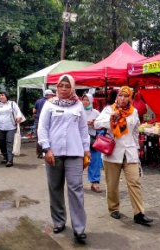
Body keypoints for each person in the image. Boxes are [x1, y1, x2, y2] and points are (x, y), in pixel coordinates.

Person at [38, 74, 90, 244]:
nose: (63, 89)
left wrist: (86, 150)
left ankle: (79, 228)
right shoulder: (49, 104)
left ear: (72, 88)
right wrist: (46, 149)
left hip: (75, 153)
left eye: (67, 86)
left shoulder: (78, 106)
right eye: (61, 86)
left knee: (76, 188)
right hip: (54, 153)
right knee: (55, 188)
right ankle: (59, 222)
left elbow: (83, 129)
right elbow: (42, 128)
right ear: (56, 87)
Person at [94, 86, 153, 225]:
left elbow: (135, 132)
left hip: (130, 152)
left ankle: (138, 213)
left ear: (130, 98)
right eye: (120, 95)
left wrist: (137, 150)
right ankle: (113, 208)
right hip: (113, 152)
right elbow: (96, 124)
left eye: (126, 96)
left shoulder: (134, 112)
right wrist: (110, 118)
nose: (122, 98)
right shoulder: (109, 110)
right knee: (112, 184)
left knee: (134, 181)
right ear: (117, 97)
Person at [0, 90, 24, 167]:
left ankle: (10, 160)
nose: (1, 97)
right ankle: (5, 157)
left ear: (6, 96)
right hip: (0, 127)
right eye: (0, 96)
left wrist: (19, 117)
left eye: (2, 95)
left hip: (10, 127)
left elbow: (18, 112)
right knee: (2, 143)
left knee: (9, 142)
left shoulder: (12, 104)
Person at [82, 93, 102, 193]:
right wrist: (85, 124)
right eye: (84, 100)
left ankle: (95, 183)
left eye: (87, 100)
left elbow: (101, 125)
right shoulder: (79, 111)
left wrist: (94, 123)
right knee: (79, 161)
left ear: (91, 101)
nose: (85, 102)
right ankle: (76, 182)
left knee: (95, 161)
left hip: (93, 139)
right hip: (80, 139)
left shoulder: (96, 113)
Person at [33, 89, 55, 158]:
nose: (52, 96)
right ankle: (48, 151)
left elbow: (34, 111)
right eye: (51, 95)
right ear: (48, 95)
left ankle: (39, 153)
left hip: (38, 120)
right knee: (49, 135)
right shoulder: (50, 102)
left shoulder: (38, 101)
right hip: (48, 122)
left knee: (39, 136)